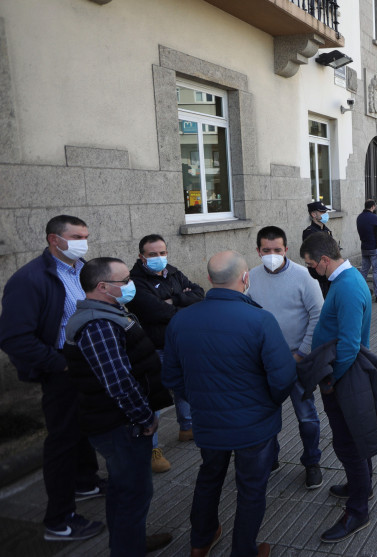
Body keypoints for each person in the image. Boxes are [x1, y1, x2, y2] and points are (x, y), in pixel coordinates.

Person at [163, 250, 296, 557]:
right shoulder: (260, 319)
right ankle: (243, 551)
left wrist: (201, 400)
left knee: (209, 476)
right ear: (245, 278)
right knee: (251, 489)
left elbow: (171, 377)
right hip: (255, 425)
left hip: (208, 422)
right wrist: (267, 404)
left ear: (209, 279)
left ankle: (201, 541)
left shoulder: (181, 320)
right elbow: (283, 376)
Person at [0, 215, 105, 542]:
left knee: (82, 428)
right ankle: (59, 521)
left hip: (88, 363)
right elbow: (14, 337)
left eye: (85, 235)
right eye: (75, 236)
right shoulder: (30, 279)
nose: (83, 242)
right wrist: (59, 365)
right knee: (62, 441)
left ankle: (85, 482)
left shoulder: (82, 268)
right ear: (53, 240)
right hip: (62, 368)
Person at [63, 257, 174, 556]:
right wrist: (145, 417)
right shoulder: (98, 324)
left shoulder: (106, 312)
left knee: (124, 488)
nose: (131, 285)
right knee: (134, 492)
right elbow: (119, 382)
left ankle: (129, 541)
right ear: (102, 287)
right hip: (121, 425)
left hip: (116, 421)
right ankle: (129, 549)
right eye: (124, 280)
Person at [299, 233, 377, 543]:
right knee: (355, 440)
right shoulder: (345, 279)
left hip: (344, 378)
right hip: (343, 376)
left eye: (310, 265)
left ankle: (357, 511)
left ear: (324, 261)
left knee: (349, 445)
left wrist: (331, 380)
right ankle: (364, 485)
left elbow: (349, 344)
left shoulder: (345, 287)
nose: (310, 270)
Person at [246, 226, 325, 490]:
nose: (272, 255)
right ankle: (272, 459)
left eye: (277, 250)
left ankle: (312, 462)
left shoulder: (305, 277)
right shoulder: (250, 278)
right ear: (258, 251)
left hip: (297, 361)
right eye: (266, 250)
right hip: (264, 363)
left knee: (307, 417)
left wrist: (301, 353)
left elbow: (318, 316)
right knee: (266, 415)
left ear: (286, 250)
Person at [129, 234, 205, 473]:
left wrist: (175, 299)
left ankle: (187, 427)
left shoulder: (172, 272)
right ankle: (151, 449)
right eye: (152, 254)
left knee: (184, 385)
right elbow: (154, 311)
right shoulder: (135, 282)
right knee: (155, 397)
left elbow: (199, 293)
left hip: (179, 342)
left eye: (162, 252)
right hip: (154, 347)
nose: (159, 258)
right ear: (142, 257)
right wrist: (179, 303)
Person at [303, 201, 334, 297]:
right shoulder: (309, 232)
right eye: (322, 212)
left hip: (329, 270)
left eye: (326, 212)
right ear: (313, 214)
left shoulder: (326, 230)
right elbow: (312, 254)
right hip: (318, 273)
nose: (326, 215)